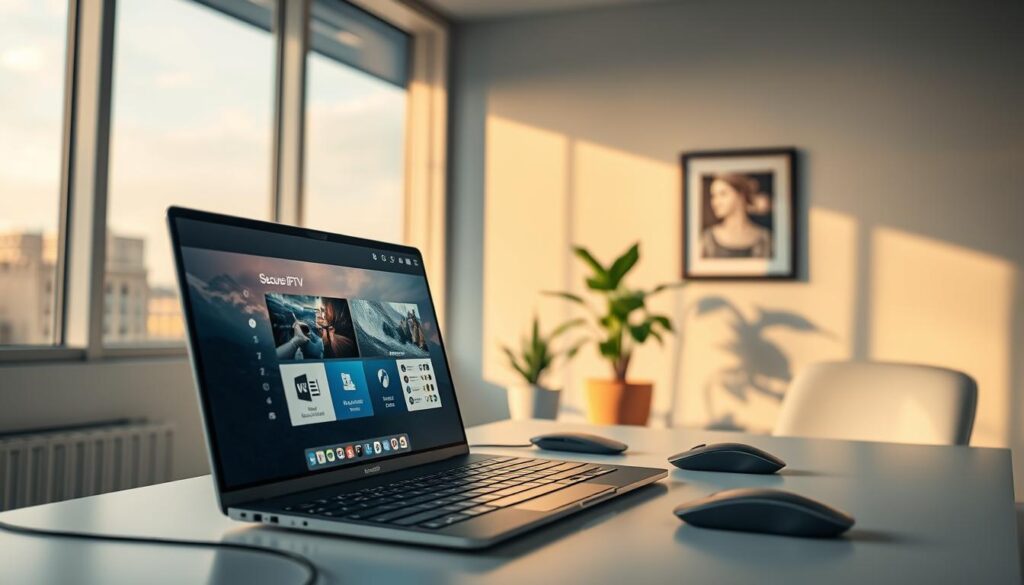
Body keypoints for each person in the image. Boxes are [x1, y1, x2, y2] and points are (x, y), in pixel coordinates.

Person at [700, 173, 772, 258]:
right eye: (713, 196)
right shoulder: (707, 239)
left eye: (723, 194)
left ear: (740, 195)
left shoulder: (765, 239)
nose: (715, 202)